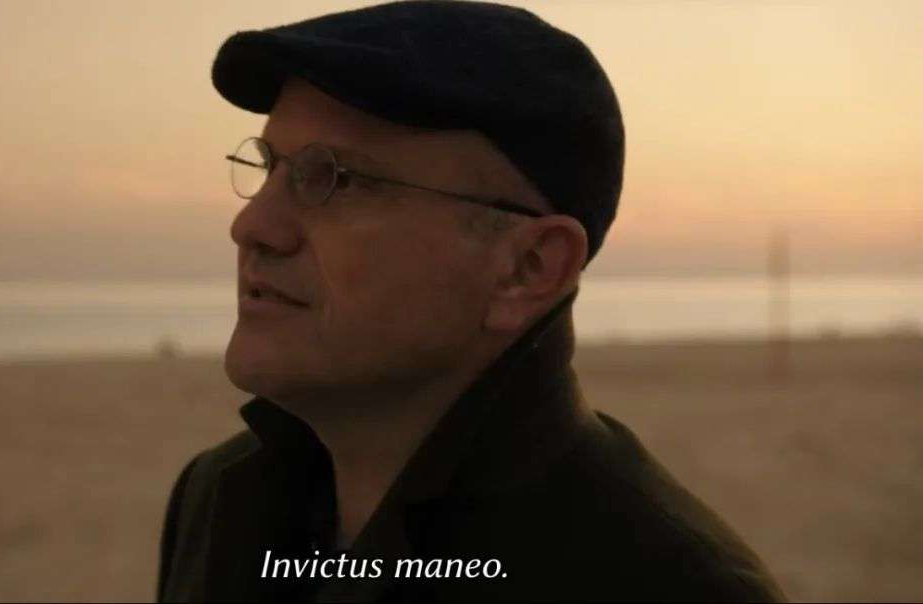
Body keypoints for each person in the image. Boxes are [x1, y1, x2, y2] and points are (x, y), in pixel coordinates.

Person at [158, 1, 786, 601]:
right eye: (270, 166)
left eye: (335, 180)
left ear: (527, 269)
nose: (252, 227)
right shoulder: (218, 498)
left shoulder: (666, 586)